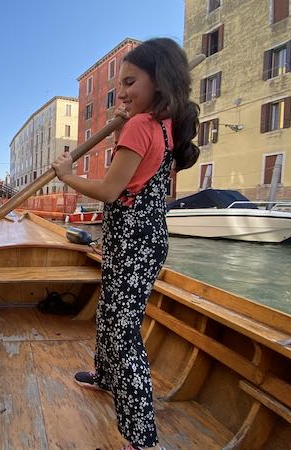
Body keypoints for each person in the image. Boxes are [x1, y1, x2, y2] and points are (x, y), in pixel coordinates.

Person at [52, 38, 200, 450]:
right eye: (121, 86)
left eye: (132, 82)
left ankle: (141, 437)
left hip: (132, 238)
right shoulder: (164, 126)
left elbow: (110, 190)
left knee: (123, 331)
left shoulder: (140, 126)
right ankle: (104, 376)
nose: (125, 92)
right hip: (147, 238)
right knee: (110, 311)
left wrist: (66, 174)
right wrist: (125, 114)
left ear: (160, 81)